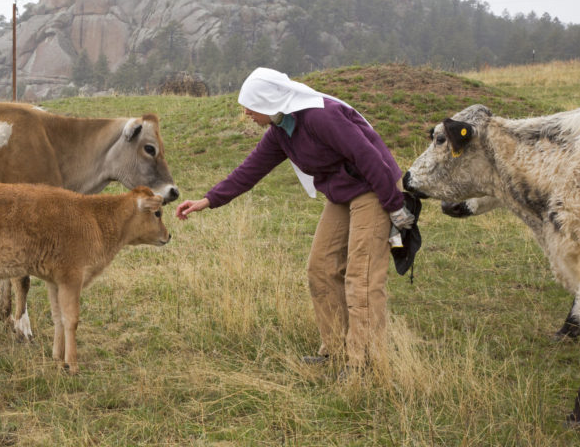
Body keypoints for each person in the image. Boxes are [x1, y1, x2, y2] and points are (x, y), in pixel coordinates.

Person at [175, 68, 414, 379]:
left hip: (374, 187)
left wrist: (395, 207)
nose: (246, 112)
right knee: (321, 267)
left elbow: (369, 156)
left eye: (250, 105)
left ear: (270, 101)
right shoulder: (281, 132)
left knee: (363, 275)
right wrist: (207, 200)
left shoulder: (320, 118)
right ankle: (337, 351)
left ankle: (365, 363)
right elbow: (250, 170)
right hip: (342, 192)